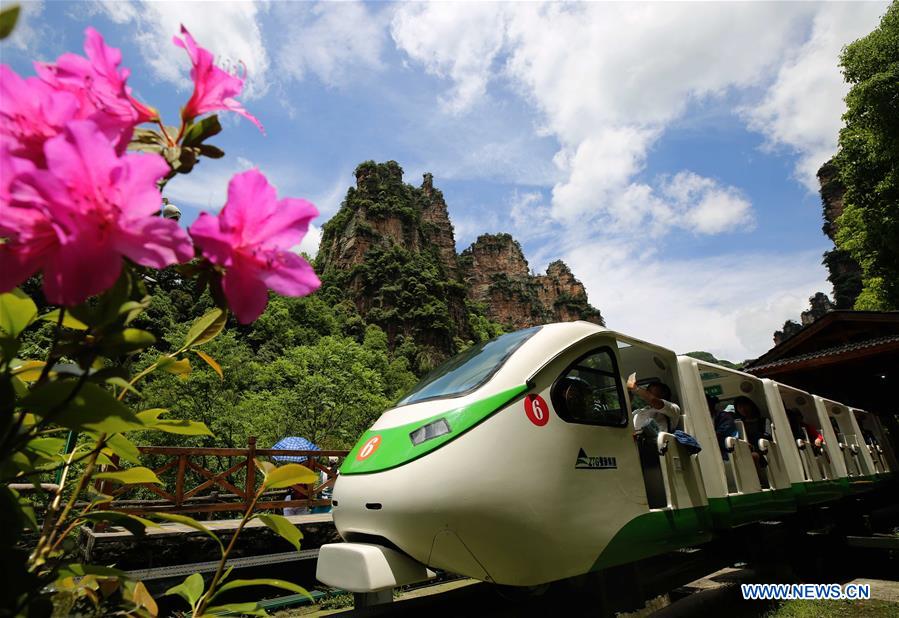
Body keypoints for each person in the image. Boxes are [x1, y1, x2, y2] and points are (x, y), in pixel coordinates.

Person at [627, 374, 680, 509]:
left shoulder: (671, 408)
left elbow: (656, 402)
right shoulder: (638, 411)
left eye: (652, 390)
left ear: (663, 394)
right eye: (647, 390)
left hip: (657, 450)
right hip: (636, 449)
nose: (648, 393)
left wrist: (637, 389)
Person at [708, 395, 738, 460]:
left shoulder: (724, 416)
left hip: (725, 450)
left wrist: (710, 437)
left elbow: (725, 431)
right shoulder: (703, 419)